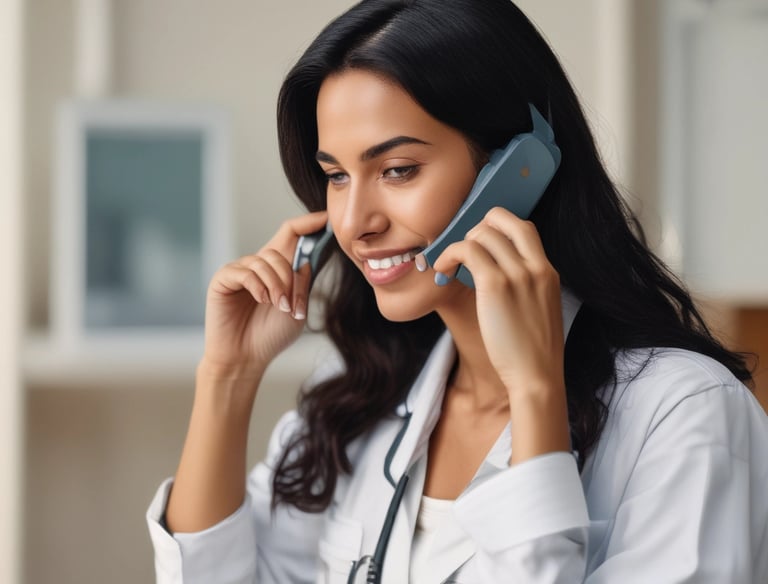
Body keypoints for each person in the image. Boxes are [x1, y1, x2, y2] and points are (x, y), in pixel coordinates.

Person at [146, 1, 768, 582]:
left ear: (522, 166)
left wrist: (534, 392)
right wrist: (227, 376)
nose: (355, 222)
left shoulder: (684, 413)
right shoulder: (354, 397)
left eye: (397, 170)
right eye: (336, 176)